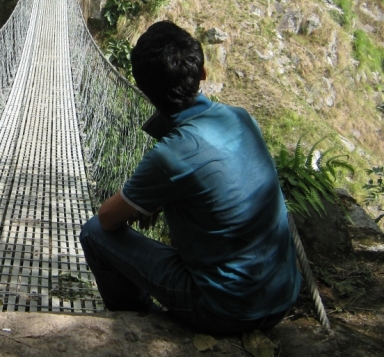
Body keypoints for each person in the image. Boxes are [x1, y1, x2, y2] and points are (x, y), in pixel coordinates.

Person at [79, 21, 301, 335]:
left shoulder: (171, 155)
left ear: (145, 91)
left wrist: (145, 203)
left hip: (226, 312)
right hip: (282, 297)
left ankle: (138, 323)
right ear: (203, 73)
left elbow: (107, 219)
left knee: (92, 233)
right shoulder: (242, 118)